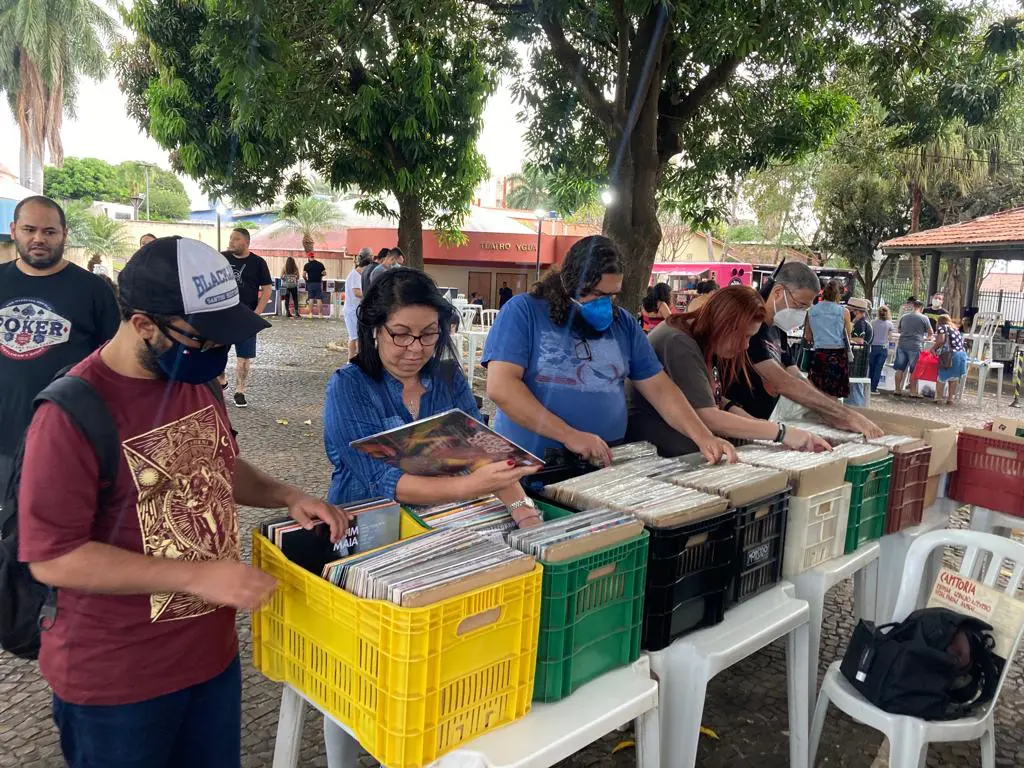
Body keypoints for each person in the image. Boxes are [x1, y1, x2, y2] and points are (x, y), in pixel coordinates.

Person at [17, 236, 349, 768]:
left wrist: (288, 495)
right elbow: (53, 556)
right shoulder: (70, 414)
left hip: (210, 660)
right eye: (201, 339)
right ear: (144, 324)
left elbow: (214, 463)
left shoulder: (192, 378)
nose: (215, 354)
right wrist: (197, 576)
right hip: (117, 682)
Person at [482, 235, 735, 466]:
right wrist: (568, 435)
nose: (604, 304)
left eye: (611, 296)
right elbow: (501, 387)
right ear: (569, 283)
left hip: (601, 462)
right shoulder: (523, 312)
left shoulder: (622, 323)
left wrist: (703, 436)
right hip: (531, 463)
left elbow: (660, 388)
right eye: (595, 294)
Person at [323, 268, 543, 526]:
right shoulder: (349, 386)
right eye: (401, 334)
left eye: (428, 333)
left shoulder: (448, 378)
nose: (416, 348)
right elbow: (380, 478)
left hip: (438, 521)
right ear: (375, 330)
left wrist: (523, 511)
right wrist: (468, 486)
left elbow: (480, 452)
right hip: (367, 525)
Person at [0, 196, 119, 491]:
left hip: (64, 438)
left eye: (49, 232)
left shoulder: (93, 290)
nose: (38, 238)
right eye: (29, 230)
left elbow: (114, 363)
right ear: (14, 230)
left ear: (64, 234)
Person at [626, 286, 831, 456]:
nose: (745, 346)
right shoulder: (678, 342)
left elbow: (707, 396)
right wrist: (780, 432)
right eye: (743, 336)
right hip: (656, 451)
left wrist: (752, 422)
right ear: (723, 324)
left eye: (750, 338)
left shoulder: (701, 337)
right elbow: (707, 416)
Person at [725, 262, 883, 437]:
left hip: (755, 428)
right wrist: (844, 415)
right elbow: (781, 381)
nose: (801, 313)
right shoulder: (750, 329)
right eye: (799, 305)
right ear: (778, 293)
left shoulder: (777, 328)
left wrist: (830, 410)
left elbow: (796, 376)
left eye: (805, 308)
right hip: (731, 426)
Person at [221, 227, 272, 408]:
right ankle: (221, 379)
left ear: (246, 242)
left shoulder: (258, 263)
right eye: (230, 238)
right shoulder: (222, 258)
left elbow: (267, 289)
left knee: (244, 356)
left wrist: (256, 314)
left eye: (235, 239)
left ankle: (240, 390)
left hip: (246, 316)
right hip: (224, 315)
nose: (231, 242)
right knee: (217, 351)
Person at [804, 281, 851, 400]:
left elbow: (808, 336)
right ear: (838, 295)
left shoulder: (811, 311)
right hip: (838, 354)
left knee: (817, 390)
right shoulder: (843, 311)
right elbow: (848, 335)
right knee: (834, 392)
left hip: (819, 353)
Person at [893, 299, 933, 396]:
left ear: (913, 306)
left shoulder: (904, 316)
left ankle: (897, 389)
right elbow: (930, 332)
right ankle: (913, 391)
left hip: (902, 344)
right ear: (921, 308)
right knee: (914, 370)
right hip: (915, 346)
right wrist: (926, 338)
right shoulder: (924, 318)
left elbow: (899, 329)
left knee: (900, 369)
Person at [343, 248, 372, 358]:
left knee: (356, 336)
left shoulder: (358, 275)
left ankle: (354, 360)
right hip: (352, 311)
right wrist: (370, 295)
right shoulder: (355, 275)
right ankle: (353, 360)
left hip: (356, 310)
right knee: (355, 337)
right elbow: (357, 292)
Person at [933, 314, 967, 405]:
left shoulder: (942, 327)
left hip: (950, 355)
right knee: (954, 378)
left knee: (942, 377)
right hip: (961, 355)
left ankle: (939, 398)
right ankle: (950, 399)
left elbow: (940, 340)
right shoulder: (955, 329)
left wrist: (933, 349)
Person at [845, 297, 873, 407]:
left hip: (858, 360)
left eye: (850, 310)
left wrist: (846, 339)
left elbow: (860, 341)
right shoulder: (864, 322)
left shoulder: (859, 324)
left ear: (855, 311)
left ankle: (856, 408)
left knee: (855, 387)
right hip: (860, 359)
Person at [869, 306, 894, 394]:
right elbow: (890, 338)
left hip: (873, 347)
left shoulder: (872, 322)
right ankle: (873, 388)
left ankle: (868, 386)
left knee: (871, 367)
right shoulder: (889, 324)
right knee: (878, 368)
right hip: (883, 348)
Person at [303, 251, 327, 319]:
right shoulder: (320, 264)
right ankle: (320, 314)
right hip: (318, 283)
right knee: (319, 299)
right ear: (313, 256)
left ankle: (310, 314)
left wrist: (306, 280)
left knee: (311, 298)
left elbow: (303, 274)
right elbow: (324, 273)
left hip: (310, 283)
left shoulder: (307, 265)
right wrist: (320, 275)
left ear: (308, 257)